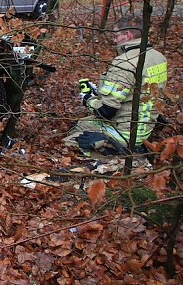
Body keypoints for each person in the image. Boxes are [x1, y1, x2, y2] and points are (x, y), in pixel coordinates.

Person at [63, 14, 168, 171]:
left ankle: (119, 155)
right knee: (84, 123)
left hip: (126, 131)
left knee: (71, 139)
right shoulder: (158, 57)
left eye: (116, 35)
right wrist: (100, 91)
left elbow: (106, 111)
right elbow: (135, 92)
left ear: (128, 35)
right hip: (146, 125)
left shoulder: (124, 62)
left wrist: (88, 99)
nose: (114, 40)